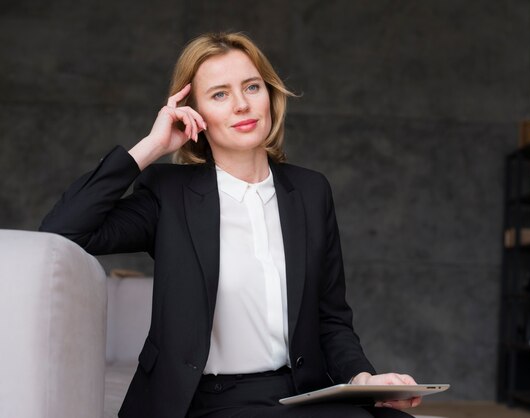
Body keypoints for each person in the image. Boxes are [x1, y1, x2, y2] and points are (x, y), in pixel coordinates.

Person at [40, 32, 421, 418]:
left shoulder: (309, 191)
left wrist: (361, 378)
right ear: (194, 113)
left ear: (269, 95)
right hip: (204, 400)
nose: (241, 105)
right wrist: (151, 147)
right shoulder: (170, 194)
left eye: (251, 87)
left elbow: (331, 319)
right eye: (219, 94)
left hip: (299, 393)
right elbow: (64, 231)